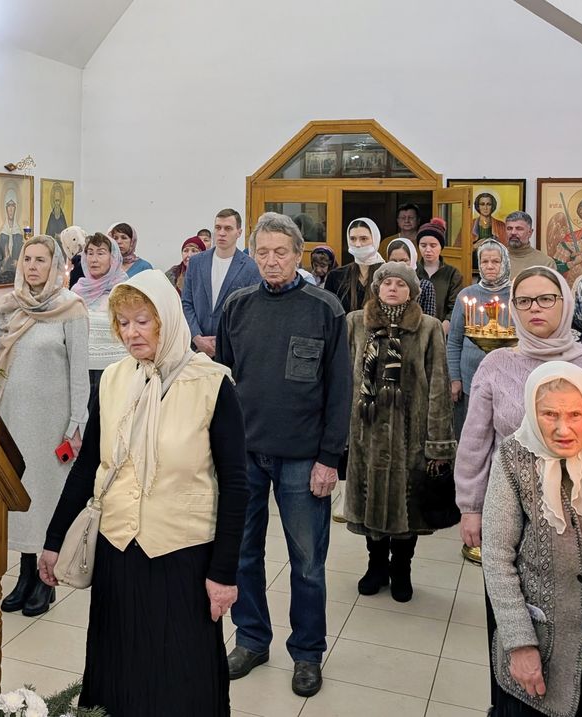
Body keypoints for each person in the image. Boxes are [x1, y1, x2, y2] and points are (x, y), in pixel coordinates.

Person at [39, 270, 248, 716]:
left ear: (166, 321)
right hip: (118, 549)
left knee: (180, 670)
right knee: (120, 664)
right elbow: (88, 466)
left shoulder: (212, 384)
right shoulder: (114, 379)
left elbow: (236, 485)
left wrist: (224, 572)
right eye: (123, 323)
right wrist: (54, 540)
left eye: (142, 321)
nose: (131, 333)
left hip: (182, 555)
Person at [454, 265, 582, 712]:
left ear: (565, 304)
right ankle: (509, 699)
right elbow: (475, 439)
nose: (534, 309)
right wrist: (470, 506)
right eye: (523, 301)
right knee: (511, 617)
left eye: (546, 299)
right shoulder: (497, 364)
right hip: (508, 507)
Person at [216, 212, 351, 697]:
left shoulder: (324, 308)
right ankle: (252, 639)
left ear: (298, 255)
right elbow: (222, 380)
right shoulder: (237, 306)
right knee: (242, 554)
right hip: (244, 456)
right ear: (253, 255)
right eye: (263, 252)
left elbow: (340, 390)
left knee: (307, 562)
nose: (271, 261)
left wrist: (329, 458)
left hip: (303, 458)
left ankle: (307, 652)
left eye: (281, 252)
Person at [483, 363, 582, 716]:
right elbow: (496, 557)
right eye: (549, 414)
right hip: (544, 652)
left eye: (575, 414)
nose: (562, 428)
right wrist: (520, 643)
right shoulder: (514, 457)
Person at [344, 262, 455, 602]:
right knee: (369, 499)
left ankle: (401, 568)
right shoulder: (356, 323)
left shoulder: (428, 327)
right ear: (376, 288)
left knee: (409, 506)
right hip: (366, 432)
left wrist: (438, 443)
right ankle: (376, 565)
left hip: (411, 434)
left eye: (401, 284)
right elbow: (343, 378)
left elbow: (438, 384)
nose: (393, 288)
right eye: (387, 282)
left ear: (412, 291)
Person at [0, 235, 89, 617]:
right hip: (14, 418)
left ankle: (46, 582)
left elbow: (79, 373)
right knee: (21, 498)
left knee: (47, 499)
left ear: (56, 265)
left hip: (52, 421)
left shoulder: (71, 308)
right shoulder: (9, 306)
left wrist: (76, 424)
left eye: (41, 260)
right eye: (27, 259)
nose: (32, 267)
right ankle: (25, 573)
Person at [447, 240, 512, 438]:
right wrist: (455, 378)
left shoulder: (516, 295)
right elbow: (454, 341)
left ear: (505, 263)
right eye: (484, 261)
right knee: (472, 434)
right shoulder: (467, 295)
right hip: (470, 377)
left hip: (507, 377)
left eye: (496, 261)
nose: (490, 266)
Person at [181, 208, 261, 359]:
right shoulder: (196, 262)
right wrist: (196, 336)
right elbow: (186, 302)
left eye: (228, 228)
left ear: (239, 232)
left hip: (232, 351)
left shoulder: (251, 268)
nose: (222, 233)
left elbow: (252, 313)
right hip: (195, 349)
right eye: (218, 228)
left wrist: (225, 341)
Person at [72, 232, 129, 409]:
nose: (94, 259)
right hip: (82, 370)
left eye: (101, 253)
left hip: (116, 369)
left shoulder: (123, 289)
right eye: (90, 253)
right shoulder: (77, 291)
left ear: (113, 258)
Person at [324, 217, 385, 313]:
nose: (357, 244)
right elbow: (328, 312)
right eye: (353, 239)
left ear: (375, 239)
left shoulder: (387, 273)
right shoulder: (336, 276)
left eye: (364, 239)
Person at [417, 218, 463, 332]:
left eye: (433, 245)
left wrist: (442, 329)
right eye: (423, 245)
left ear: (441, 246)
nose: (428, 250)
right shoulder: (412, 271)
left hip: (442, 331)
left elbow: (455, 306)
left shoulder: (452, 274)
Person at [386, 237, 437, 317]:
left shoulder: (425, 286)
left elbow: (430, 319)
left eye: (404, 260)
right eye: (393, 261)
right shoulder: (384, 285)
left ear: (413, 260)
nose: (399, 265)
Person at [0, 186, 26, 285]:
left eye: (13, 206)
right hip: (2, 277)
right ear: (5, 208)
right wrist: (5, 260)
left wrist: (18, 263)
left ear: (16, 208)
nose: (11, 209)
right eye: (8, 206)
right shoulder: (2, 234)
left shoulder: (19, 234)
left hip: (17, 278)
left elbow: (25, 257)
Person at [505, 211, 552, 278]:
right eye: (509, 228)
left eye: (519, 229)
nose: (513, 232)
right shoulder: (496, 259)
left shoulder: (545, 263)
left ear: (530, 232)